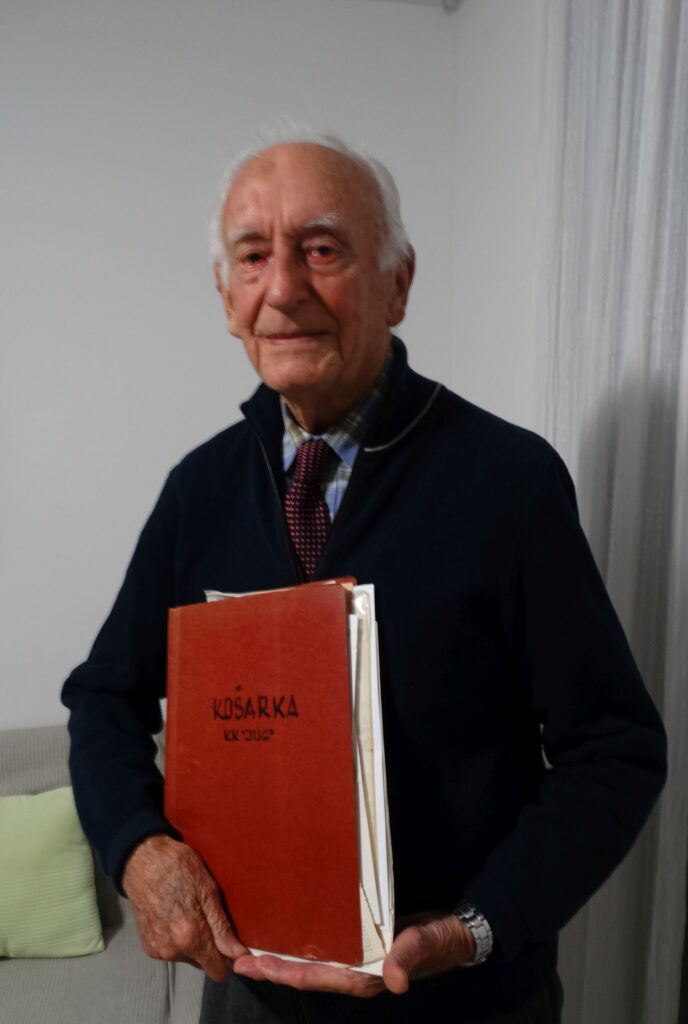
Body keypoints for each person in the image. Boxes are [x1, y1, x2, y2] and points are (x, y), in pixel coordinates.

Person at [62, 133, 667, 1024]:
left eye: (321, 249)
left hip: (463, 1002)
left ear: (398, 282)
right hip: (253, 1000)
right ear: (226, 297)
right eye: (253, 256)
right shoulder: (200, 490)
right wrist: (138, 848)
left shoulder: (511, 483)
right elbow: (104, 699)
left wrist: (474, 928)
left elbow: (614, 750)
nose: (283, 289)